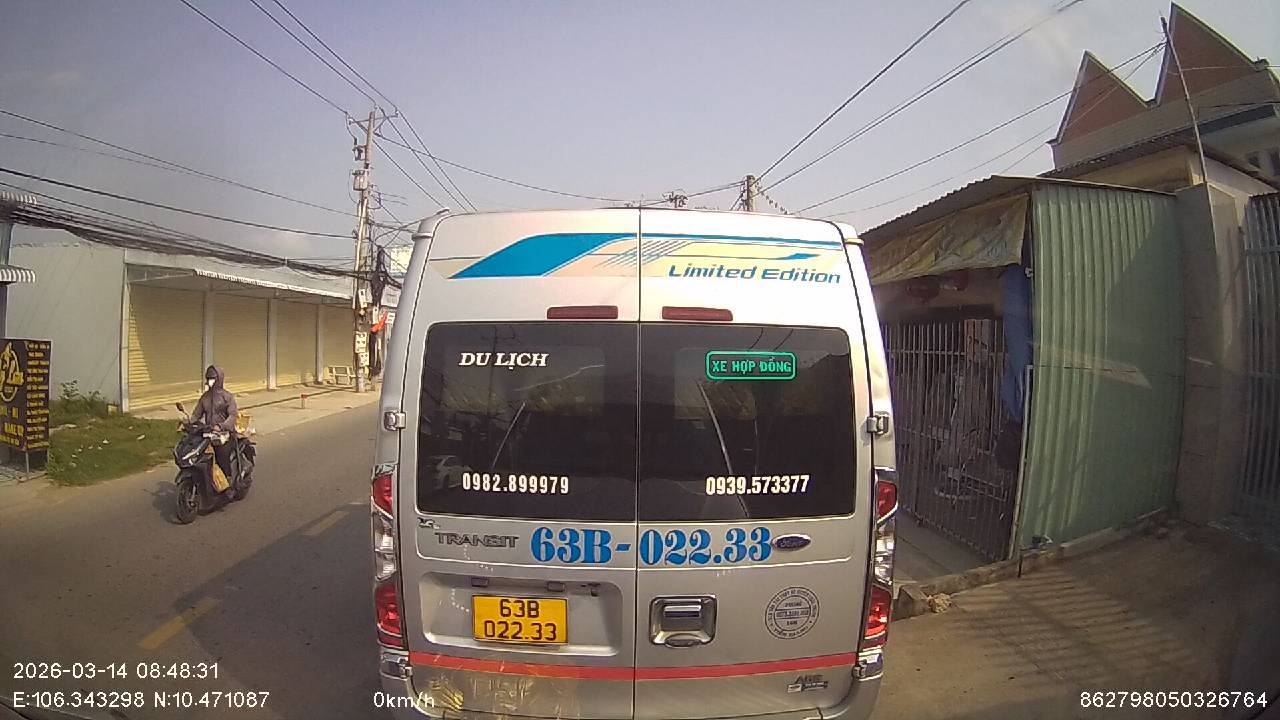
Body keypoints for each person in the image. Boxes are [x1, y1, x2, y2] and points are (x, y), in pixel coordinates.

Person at [191, 365, 238, 494]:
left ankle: (228, 483)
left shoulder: (227, 397)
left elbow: (233, 416)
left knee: (222, 454)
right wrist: (189, 422)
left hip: (225, 434)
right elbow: (196, 414)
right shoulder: (205, 397)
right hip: (209, 433)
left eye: (212, 378)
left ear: (219, 379)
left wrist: (221, 426)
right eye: (208, 378)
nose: (210, 381)